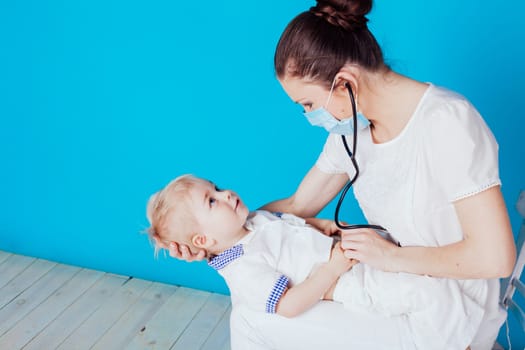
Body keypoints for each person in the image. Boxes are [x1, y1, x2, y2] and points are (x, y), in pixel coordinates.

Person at [158, 0, 516, 349]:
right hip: (390, 286)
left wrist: (389, 257)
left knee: (252, 320)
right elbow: (298, 205)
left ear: (344, 83)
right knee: (258, 307)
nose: (310, 117)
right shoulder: (350, 133)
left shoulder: (447, 122)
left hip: (451, 310)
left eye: (308, 105)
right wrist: (218, 243)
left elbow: (496, 257)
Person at [146, 174, 485, 350]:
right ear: (203, 241)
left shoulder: (257, 221)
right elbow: (289, 305)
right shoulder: (242, 267)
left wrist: (328, 226)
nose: (227, 194)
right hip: (348, 283)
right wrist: (333, 269)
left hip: (351, 260)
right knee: (424, 294)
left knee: (430, 285)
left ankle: (458, 336)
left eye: (217, 188)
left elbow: (298, 224)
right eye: (212, 201)